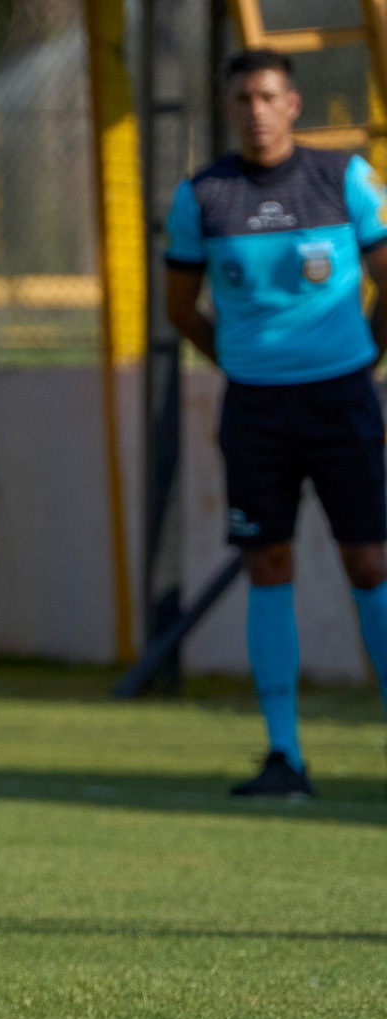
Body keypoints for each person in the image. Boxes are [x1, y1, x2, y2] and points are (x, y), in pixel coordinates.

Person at [165, 51, 387, 799]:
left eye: (267, 95)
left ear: (293, 103)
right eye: (241, 98)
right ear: (229, 108)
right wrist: (239, 360)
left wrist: (364, 353)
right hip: (256, 406)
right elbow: (178, 307)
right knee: (268, 563)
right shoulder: (203, 197)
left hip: (344, 398)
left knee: (370, 562)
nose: (255, 109)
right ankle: (284, 755)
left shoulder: (346, 179)